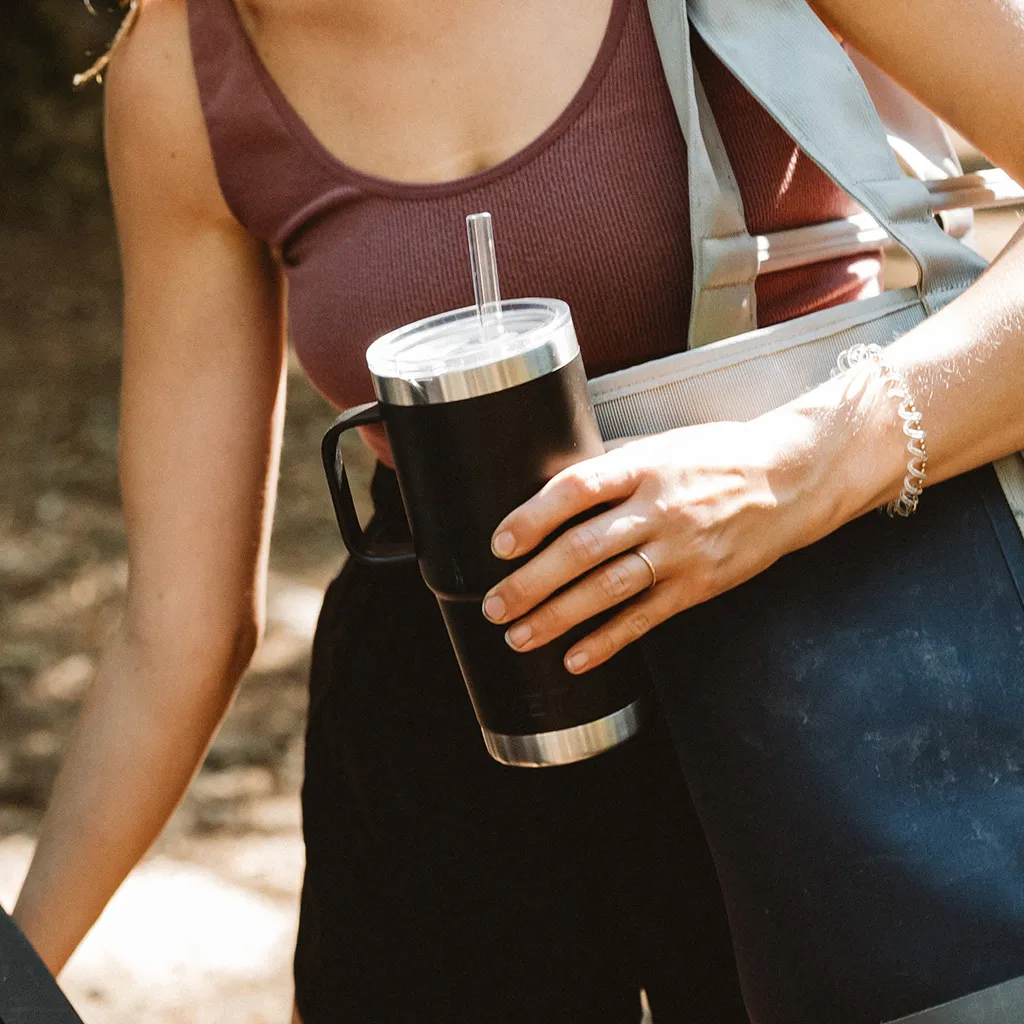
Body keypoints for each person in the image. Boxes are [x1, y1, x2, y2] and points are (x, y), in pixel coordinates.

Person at [12, 0, 1024, 1020]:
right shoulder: (185, 61)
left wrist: (795, 466)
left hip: (839, 702)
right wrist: (21, 964)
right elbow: (175, 629)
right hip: (443, 774)